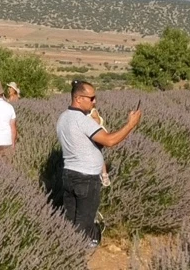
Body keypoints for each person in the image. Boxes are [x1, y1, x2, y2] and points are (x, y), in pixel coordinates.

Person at [56, 80, 141, 247]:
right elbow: (109, 141)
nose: (95, 101)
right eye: (92, 98)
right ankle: (77, 255)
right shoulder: (82, 120)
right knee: (84, 223)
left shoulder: (63, 117)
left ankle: (64, 251)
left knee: (69, 219)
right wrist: (130, 124)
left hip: (68, 175)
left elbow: (87, 142)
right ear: (79, 98)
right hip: (86, 179)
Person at [89, 108, 110, 187]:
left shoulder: (92, 111)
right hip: (88, 136)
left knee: (98, 154)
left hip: (96, 135)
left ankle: (104, 175)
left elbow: (97, 122)